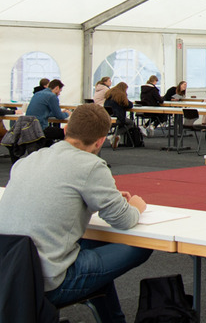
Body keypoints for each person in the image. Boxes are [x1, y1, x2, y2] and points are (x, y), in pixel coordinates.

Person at [0, 104, 152, 322]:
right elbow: (124, 219)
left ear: (65, 130)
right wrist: (137, 205)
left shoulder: (30, 160)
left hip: (11, 275)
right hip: (49, 279)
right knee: (141, 245)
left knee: (90, 247)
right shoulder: (91, 165)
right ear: (100, 141)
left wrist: (106, 195)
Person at [25, 79, 69, 144]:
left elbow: (43, 112)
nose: (59, 93)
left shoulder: (37, 94)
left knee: (50, 142)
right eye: (60, 91)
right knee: (67, 133)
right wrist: (67, 114)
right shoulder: (52, 96)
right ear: (57, 88)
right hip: (41, 128)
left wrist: (58, 113)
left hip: (29, 128)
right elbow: (59, 116)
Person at [103, 82, 135, 150]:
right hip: (118, 118)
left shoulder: (109, 93)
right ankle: (115, 134)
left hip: (108, 118)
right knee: (130, 123)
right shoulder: (121, 95)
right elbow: (128, 105)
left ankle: (113, 136)